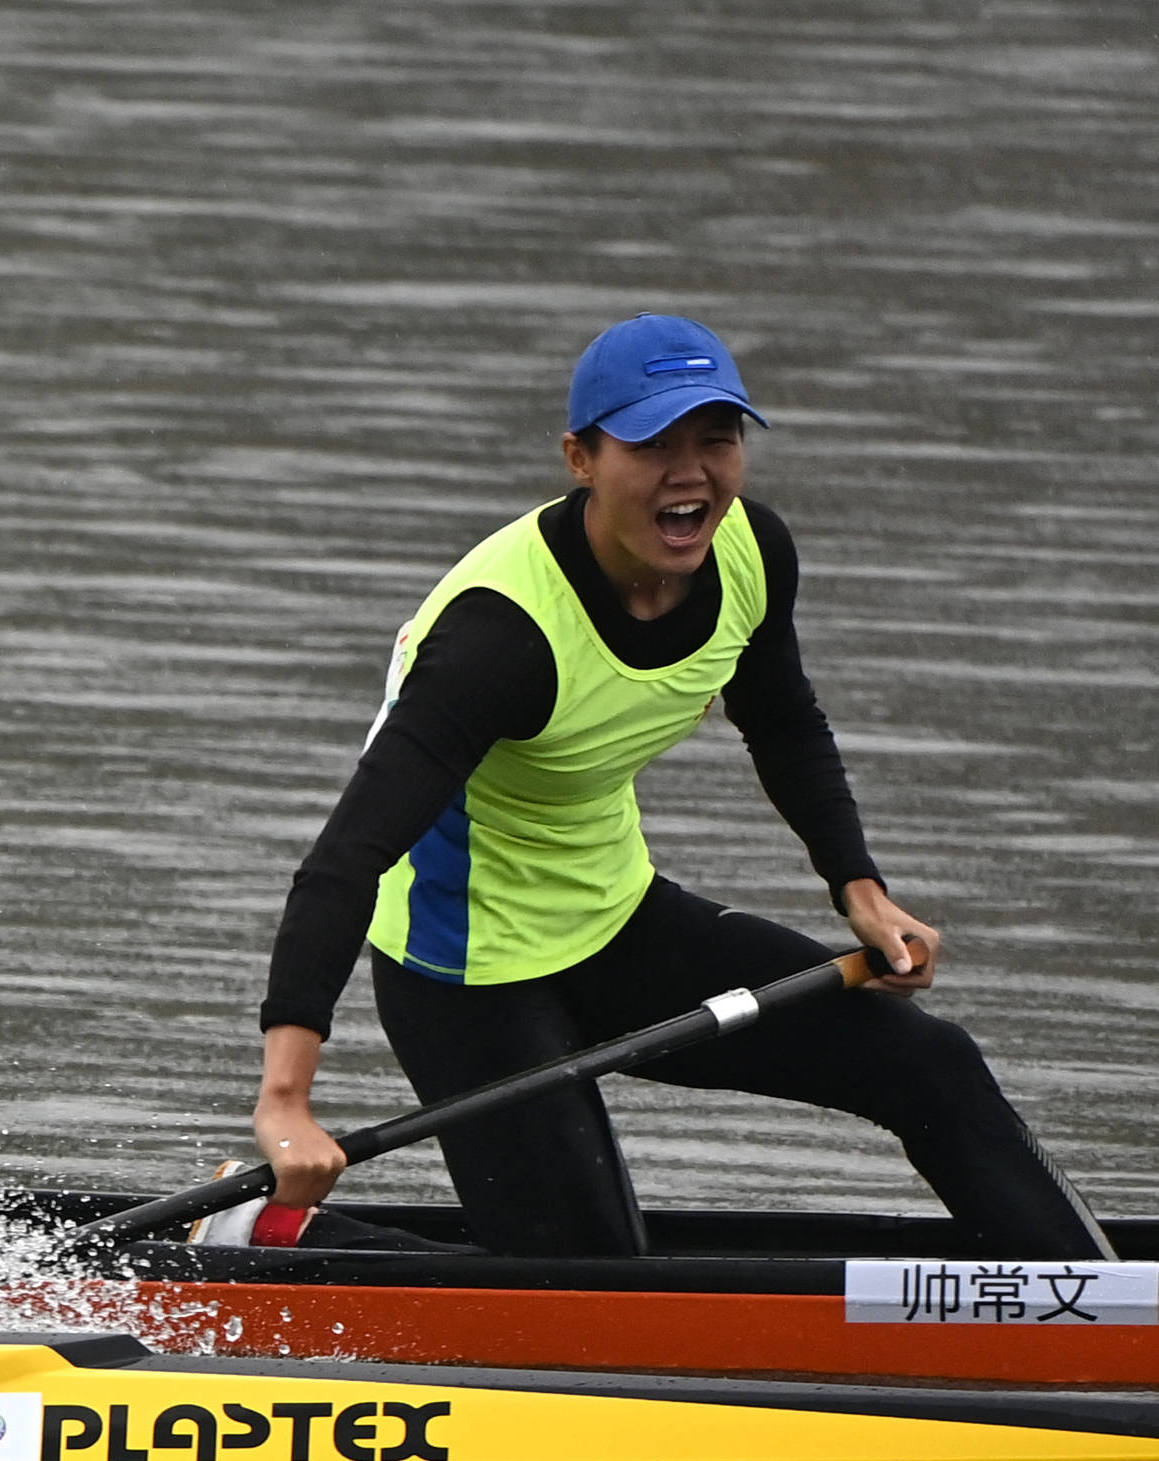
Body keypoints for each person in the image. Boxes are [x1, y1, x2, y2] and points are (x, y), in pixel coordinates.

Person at [247, 314, 1109, 1258]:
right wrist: (288, 1103)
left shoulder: (750, 552)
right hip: (470, 969)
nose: (691, 471)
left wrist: (860, 891)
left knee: (932, 1064)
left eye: (716, 437)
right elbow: (346, 861)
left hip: (616, 920)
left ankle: (1097, 1315)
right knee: (589, 1295)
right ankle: (276, 1232)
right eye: (654, 443)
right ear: (581, 458)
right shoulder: (500, 639)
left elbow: (782, 721)